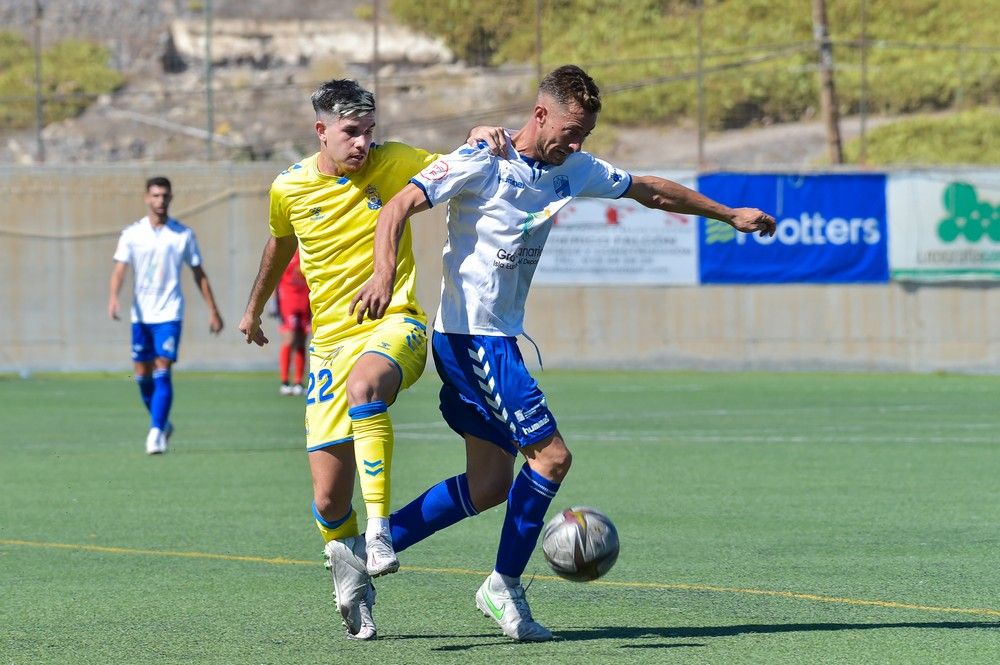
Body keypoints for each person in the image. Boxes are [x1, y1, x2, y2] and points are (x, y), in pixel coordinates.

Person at [351, 64, 777, 642]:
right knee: (551, 458)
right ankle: (503, 586)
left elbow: (649, 189)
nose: (576, 145)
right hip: (475, 339)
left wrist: (728, 214)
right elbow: (397, 206)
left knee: (488, 483)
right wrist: (382, 274)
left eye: (585, 137)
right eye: (570, 131)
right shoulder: (482, 160)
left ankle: (367, 548)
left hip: (495, 341)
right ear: (540, 113)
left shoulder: (571, 168)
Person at [237, 78, 506, 641]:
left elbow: (452, 165)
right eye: (350, 133)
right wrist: (253, 308)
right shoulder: (288, 188)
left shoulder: (394, 163)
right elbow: (279, 243)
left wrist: (477, 136)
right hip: (328, 346)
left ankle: (380, 532)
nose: (362, 144)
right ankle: (351, 575)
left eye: (369, 132)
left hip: (395, 325)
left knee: (368, 386)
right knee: (329, 499)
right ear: (321, 132)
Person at [108, 176, 225, 455]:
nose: (160, 201)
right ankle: (161, 422)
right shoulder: (132, 233)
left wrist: (214, 310)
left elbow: (199, 273)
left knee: (163, 367)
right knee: (142, 375)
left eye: (165, 196)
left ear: (171, 198)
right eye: (155, 196)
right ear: (147, 198)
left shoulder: (182, 234)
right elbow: (120, 269)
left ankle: (156, 432)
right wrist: (113, 297)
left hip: (170, 312)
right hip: (141, 315)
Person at [274, 249, 311, 396]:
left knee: (302, 341)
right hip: (288, 301)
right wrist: (274, 302)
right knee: (289, 339)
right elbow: (275, 277)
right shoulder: (285, 251)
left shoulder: (307, 251)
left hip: (305, 301)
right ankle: (284, 382)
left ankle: (298, 382)